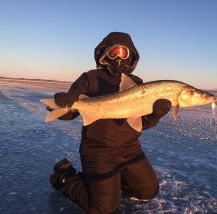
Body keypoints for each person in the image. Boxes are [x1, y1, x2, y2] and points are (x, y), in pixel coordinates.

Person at [48, 32, 171, 213]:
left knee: (148, 191)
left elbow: (140, 122)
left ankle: (110, 185)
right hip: (97, 151)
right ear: (105, 55)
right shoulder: (90, 78)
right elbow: (72, 112)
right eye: (114, 53)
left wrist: (155, 115)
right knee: (103, 209)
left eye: (124, 53)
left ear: (132, 56)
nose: (119, 57)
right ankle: (66, 178)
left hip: (130, 150)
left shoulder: (137, 84)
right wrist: (61, 106)